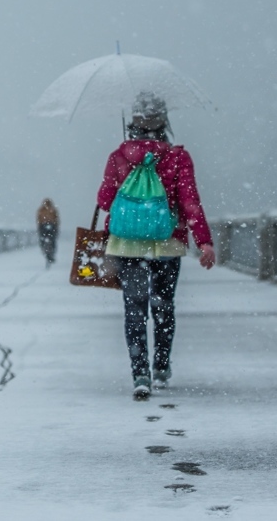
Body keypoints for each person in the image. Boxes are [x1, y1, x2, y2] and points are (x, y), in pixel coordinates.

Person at [96, 92, 216, 400]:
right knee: (163, 305)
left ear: (133, 123)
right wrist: (204, 241)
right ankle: (161, 366)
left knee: (134, 309)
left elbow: (105, 201)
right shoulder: (178, 158)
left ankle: (140, 374)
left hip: (127, 244)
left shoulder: (119, 156)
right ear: (164, 123)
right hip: (167, 243)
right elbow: (190, 201)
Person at [36, 198, 60, 267]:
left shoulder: (41, 210)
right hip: (51, 226)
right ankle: (51, 253)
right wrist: (56, 227)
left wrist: (40, 227)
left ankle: (46, 251)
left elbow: (38, 219)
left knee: (43, 240)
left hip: (44, 226)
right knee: (52, 240)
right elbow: (57, 219)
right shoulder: (53, 210)